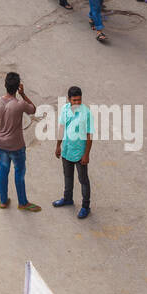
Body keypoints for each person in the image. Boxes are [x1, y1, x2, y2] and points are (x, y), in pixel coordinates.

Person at [0, 72, 40, 211]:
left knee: (3, 170)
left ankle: (3, 201)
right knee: (19, 172)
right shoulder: (20, 104)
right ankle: (22, 202)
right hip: (17, 146)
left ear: (5, 85)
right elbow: (33, 109)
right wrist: (23, 94)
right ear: (17, 87)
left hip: (2, 144)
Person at [53, 85, 92, 219]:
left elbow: (89, 136)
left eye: (79, 100)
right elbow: (62, 127)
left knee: (83, 180)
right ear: (69, 99)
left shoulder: (86, 113)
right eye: (74, 100)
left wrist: (86, 154)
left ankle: (86, 206)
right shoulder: (64, 109)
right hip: (67, 150)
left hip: (80, 153)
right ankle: (67, 198)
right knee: (68, 176)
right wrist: (58, 146)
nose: (76, 103)